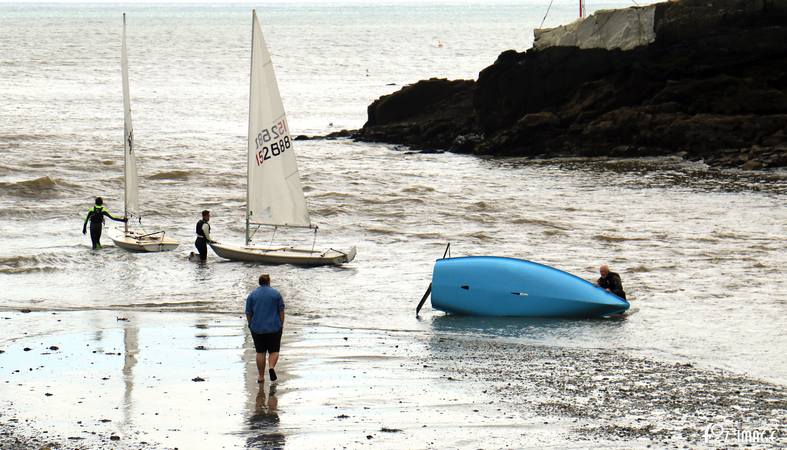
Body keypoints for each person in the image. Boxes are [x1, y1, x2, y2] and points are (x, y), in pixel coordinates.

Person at [245, 273, 285, 383]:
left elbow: (248, 313)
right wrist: (281, 324)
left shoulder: (252, 295)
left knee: (260, 352)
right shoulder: (276, 294)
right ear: (269, 282)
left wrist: (250, 324)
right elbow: (281, 311)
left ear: (259, 282)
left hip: (257, 328)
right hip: (274, 327)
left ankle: (261, 376)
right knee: (274, 351)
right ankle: (271, 367)